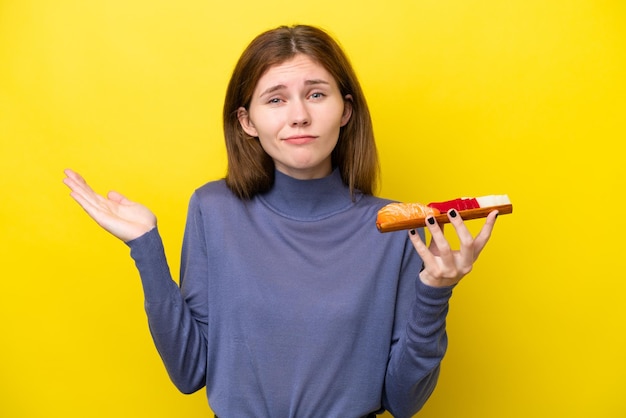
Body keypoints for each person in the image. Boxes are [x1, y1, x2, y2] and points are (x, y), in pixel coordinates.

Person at [63, 24, 498, 418]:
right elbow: (189, 371)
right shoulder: (213, 209)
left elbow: (404, 401)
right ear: (247, 120)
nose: (299, 116)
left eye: (316, 94)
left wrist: (435, 292)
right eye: (275, 99)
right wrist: (145, 247)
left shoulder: (395, 225)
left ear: (345, 111)